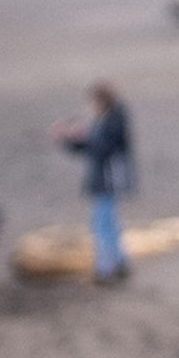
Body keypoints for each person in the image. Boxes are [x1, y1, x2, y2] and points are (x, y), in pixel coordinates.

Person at [53, 82, 134, 284]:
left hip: (109, 181)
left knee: (102, 225)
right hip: (103, 181)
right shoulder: (103, 120)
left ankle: (106, 269)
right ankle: (121, 263)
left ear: (102, 101)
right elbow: (88, 148)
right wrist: (68, 139)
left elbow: (105, 148)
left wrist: (83, 135)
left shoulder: (114, 120)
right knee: (109, 224)